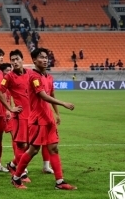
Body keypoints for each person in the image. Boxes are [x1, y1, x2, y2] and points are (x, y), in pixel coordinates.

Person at [10, 48, 76, 190]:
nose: (45, 59)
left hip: (48, 118)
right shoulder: (33, 76)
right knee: (33, 150)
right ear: (34, 60)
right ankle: (16, 178)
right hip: (38, 119)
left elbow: (51, 94)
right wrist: (63, 103)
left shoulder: (48, 77)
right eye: (41, 57)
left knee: (54, 149)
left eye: (46, 57)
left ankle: (60, 182)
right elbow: (42, 95)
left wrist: (56, 113)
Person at [0, 50, 53, 183]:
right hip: (20, 115)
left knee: (31, 147)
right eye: (12, 60)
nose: (15, 62)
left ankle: (12, 165)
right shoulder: (8, 77)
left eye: (17, 59)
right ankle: (21, 174)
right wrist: (10, 108)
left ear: (22, 60)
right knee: (22, 145)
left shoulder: (30, 73)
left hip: (33, 115)